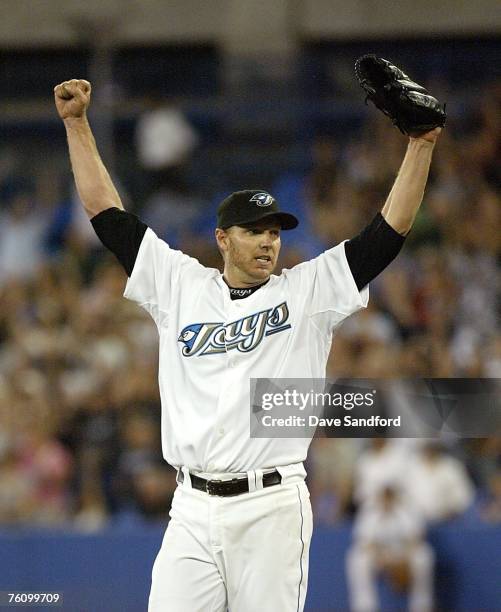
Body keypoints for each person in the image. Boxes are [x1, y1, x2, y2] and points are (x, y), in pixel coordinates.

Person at [54, 78, 441, 612]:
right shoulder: (180, 284)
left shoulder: (307, 291)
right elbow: (106, 213)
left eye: (275, 231)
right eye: (253, 230)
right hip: (190, 506)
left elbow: (387, 233)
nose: (267, 240)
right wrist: (76, 125)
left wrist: (421, 144)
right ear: (222, 238)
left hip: (270, 508)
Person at [346, 485, 434, 612]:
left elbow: (416, 540)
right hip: (379, 557)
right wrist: (383, 559)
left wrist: (402, 559)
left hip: (403, 554)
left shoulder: (407, 511)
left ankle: (421, 606)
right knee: (358, 558)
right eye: (384, 498)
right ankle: (365, 607)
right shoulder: (370, 512)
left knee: (424, 556)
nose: (387, 501)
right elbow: (365, 543)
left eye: (390, 497)